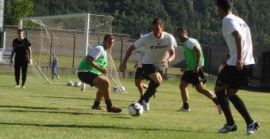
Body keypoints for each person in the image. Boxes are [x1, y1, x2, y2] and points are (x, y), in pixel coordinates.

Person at [215, 0, 259, 135]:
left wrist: (238, 58)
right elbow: (242, 41)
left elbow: (238, 37)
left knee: (218, 90)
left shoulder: (227, 20)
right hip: (247, 62)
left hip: (236, 64)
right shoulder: (240, 20)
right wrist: (229, 55)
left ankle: (230, 124)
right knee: (231, 94)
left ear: (218, 8)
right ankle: (250, 123)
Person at [119, 18, 177, 111]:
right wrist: (124, 63)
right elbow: (130, 49)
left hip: (160, 65)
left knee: (156, 83)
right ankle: (143, 100)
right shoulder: (146, 38)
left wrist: (168, 60)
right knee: (156, 80)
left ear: (162, 27)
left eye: (157, 29)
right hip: (147, 63)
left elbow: (173, 53)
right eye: (153, 29)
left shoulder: (169, 38)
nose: (155, 32)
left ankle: (143, 101)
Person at [176, 27, 222, 114]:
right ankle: (186, 107)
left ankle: (219, 102)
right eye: (177, 35)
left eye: (179, 34)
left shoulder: (190, 42)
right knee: (184, 86)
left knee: (200, 89)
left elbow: (199, 53)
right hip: (190, 69)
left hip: (195, 69)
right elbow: (190, 57)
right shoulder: (187, 42)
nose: (178, 37)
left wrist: (197, 66)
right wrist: (186, 67)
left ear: (185, 33)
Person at [77, 34, 122, 113]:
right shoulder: (99, 48)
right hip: (84, 72)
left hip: (90, 73)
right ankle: (110, 106)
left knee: (104, 86)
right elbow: (89, 60)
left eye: (112, 43)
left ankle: (96, 105)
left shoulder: (104, 52)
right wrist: (100, 69)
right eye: (109, 42)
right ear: (105, 41)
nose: (111, 44)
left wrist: (102, 71)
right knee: (105, 83)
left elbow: (98, 65)